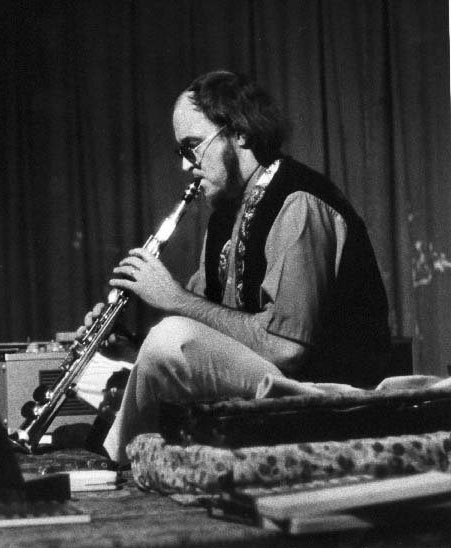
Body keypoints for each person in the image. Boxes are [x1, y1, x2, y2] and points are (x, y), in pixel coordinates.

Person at [80, 70, 391, 466]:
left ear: (240, 132)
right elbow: (212, 334)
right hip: (266, 384)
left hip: (325, 396)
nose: (186, 166)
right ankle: (121, 444)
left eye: (192, 146)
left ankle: (114, 460)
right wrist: (129, 347)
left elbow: (286, 350)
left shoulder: (298, 203)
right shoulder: (224, 216)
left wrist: (175, 299)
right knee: (103, 365)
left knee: (171, 338)